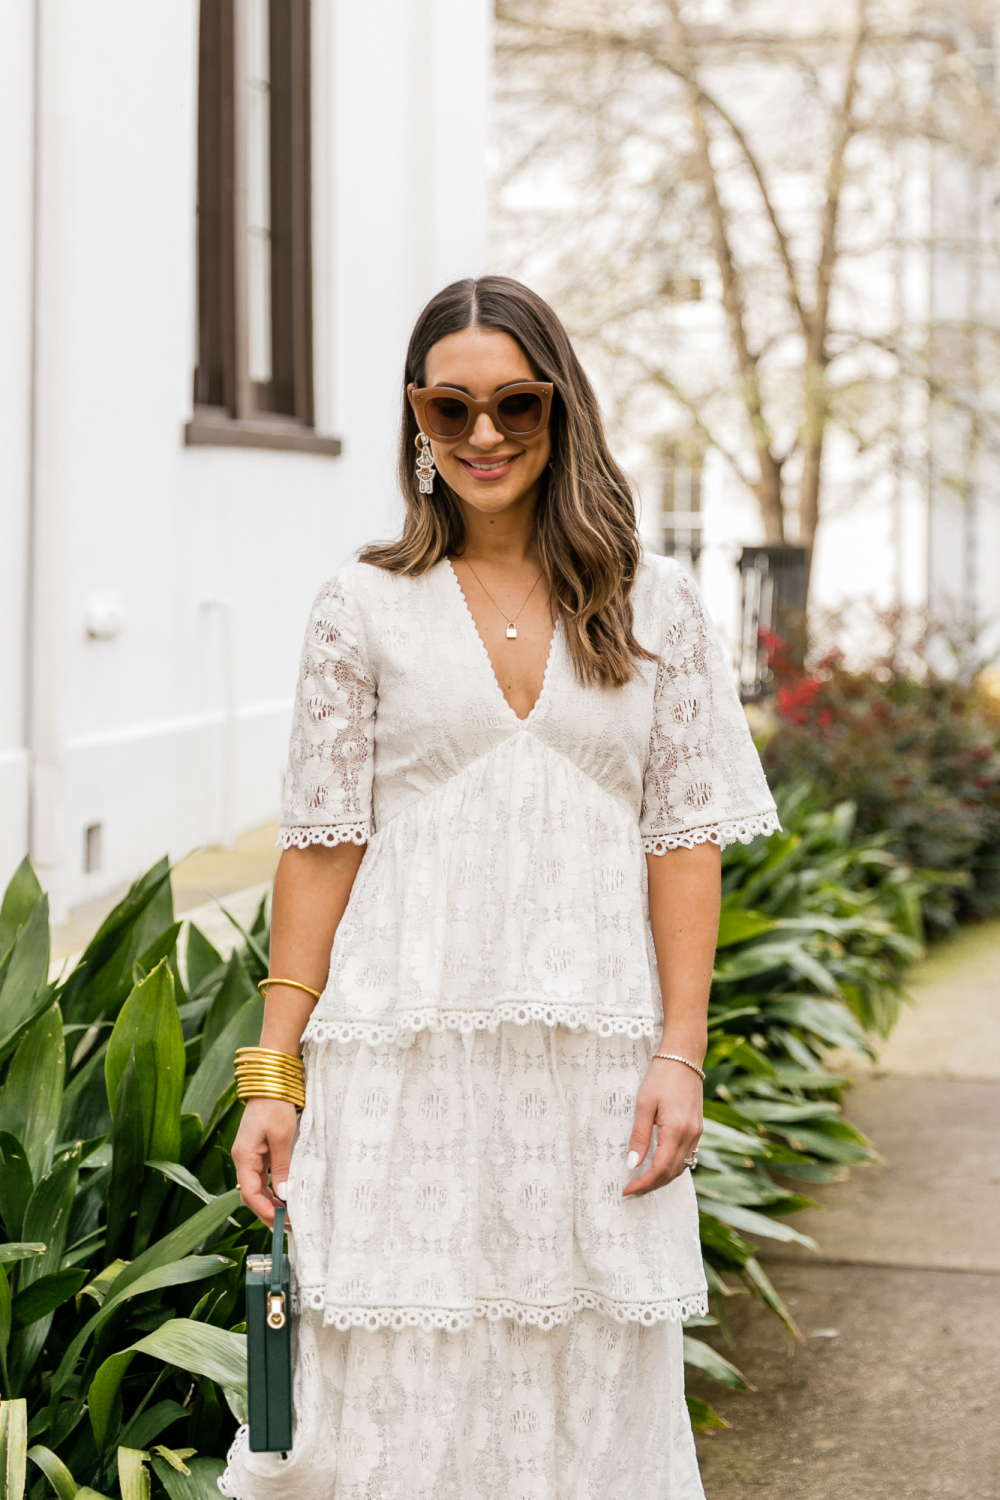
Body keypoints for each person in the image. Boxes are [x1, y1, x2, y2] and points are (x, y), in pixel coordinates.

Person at [222, 275, 778, 1500]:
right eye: (450, 407)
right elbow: (320, 847)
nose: (483, 435)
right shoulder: (359, 607)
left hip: (590, 1075)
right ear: (415, 420)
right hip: (399, 1064)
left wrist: (679, 1055)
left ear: (561, 408)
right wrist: (274, 1076)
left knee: (584, 1369)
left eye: (516, 404)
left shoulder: (654, 606)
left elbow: (684, 841)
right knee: (385, 1377)